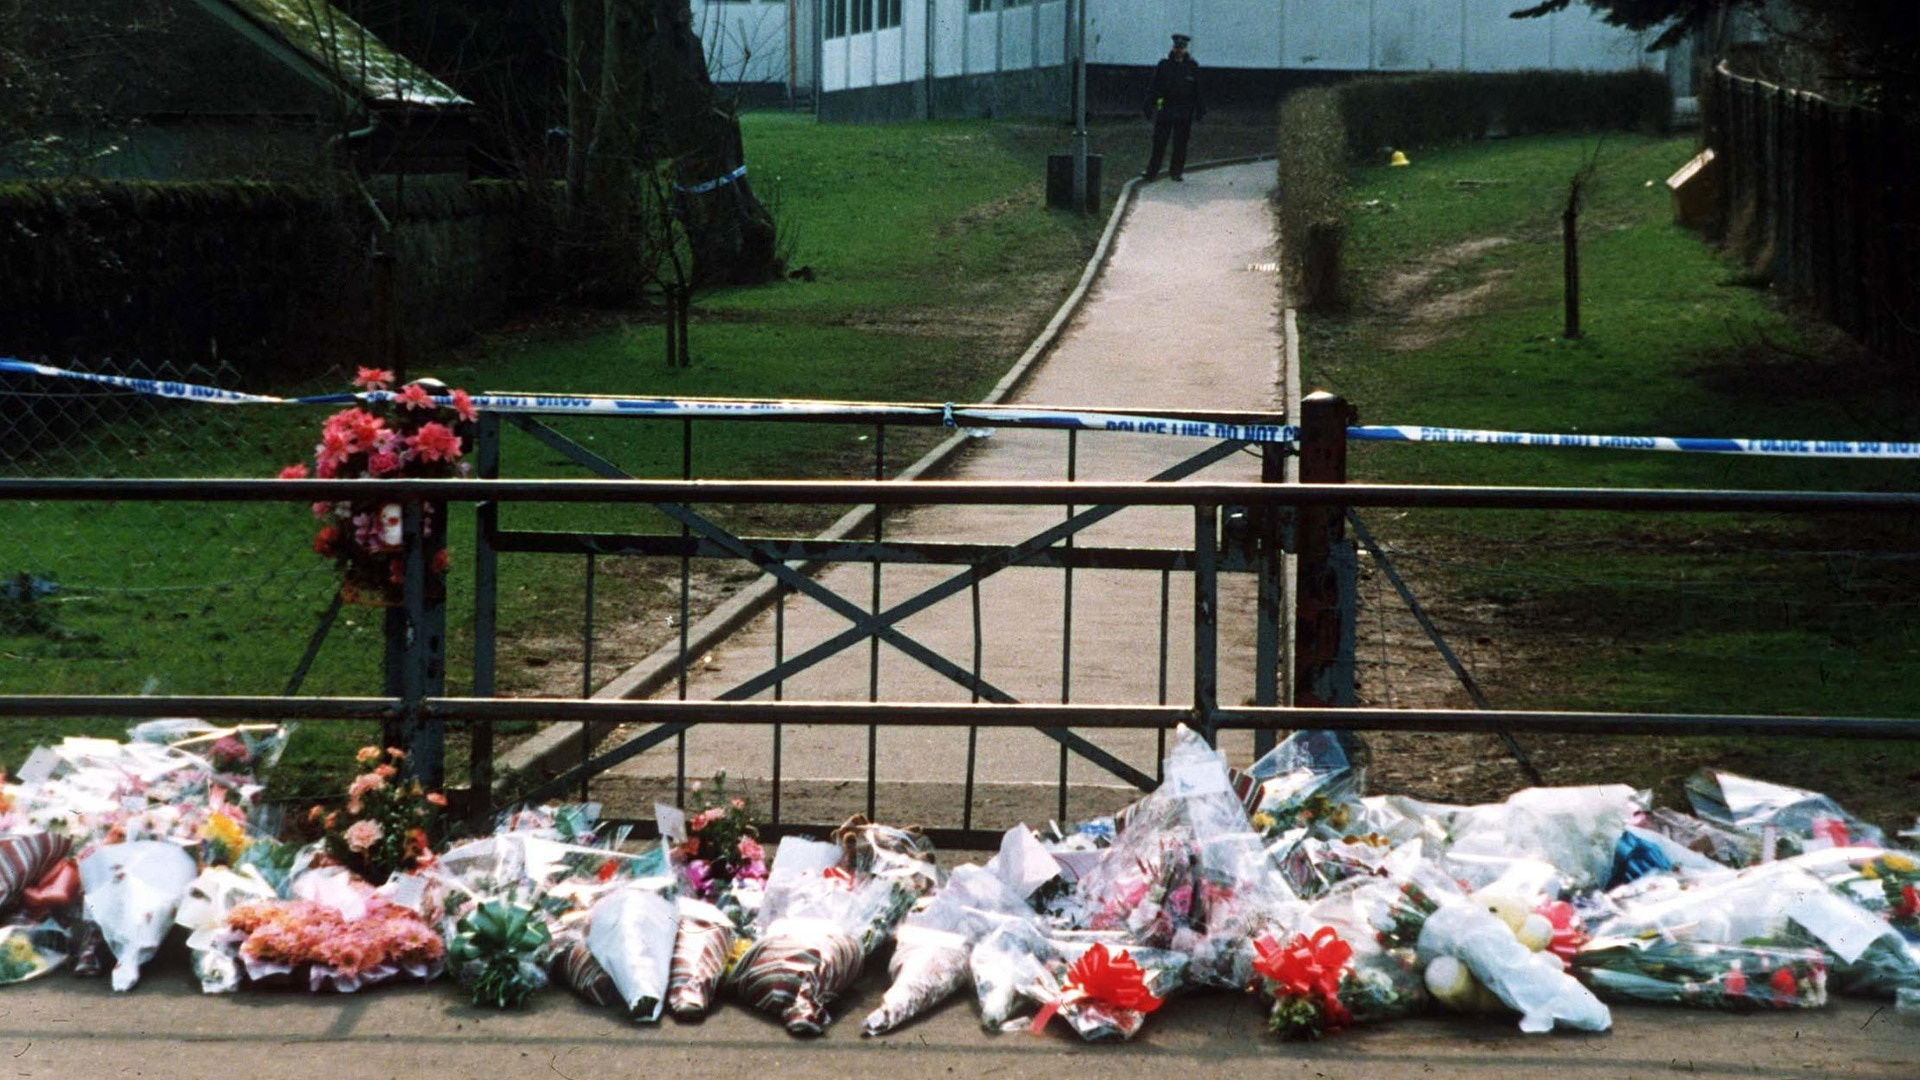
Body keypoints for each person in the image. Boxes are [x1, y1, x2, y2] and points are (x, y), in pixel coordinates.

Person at [1142, 33, 1205, 182]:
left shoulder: (1192, 66)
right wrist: (1149, 105)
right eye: (1177, 47)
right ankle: (1152, 172)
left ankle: (1176, 172)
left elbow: (1198, 90)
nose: (1179, 50)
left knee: (1180, 143)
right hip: (1166, 110)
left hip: (1184, 111)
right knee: (1159, 143)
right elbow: (1154, 87)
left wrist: (1200, 109)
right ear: (1173, 47)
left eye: (1182, 47)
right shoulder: (1164, 65)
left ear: (1186, 49)